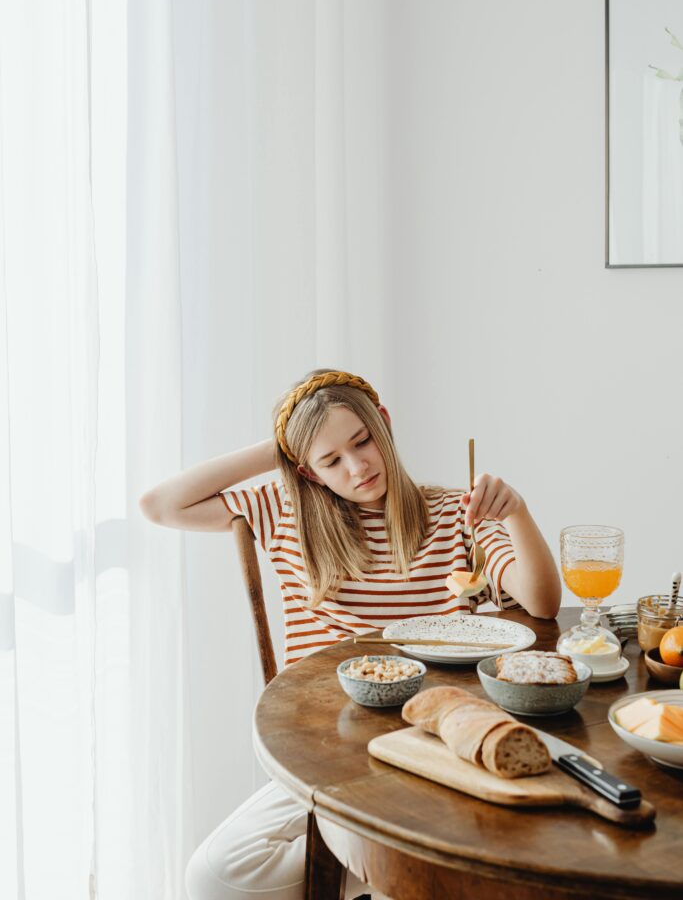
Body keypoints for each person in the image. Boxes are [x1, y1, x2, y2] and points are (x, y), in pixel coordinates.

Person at [139, 369, 561, 900]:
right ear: (306, 472)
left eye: (362, 441)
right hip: (324, 742)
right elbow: (159, 505)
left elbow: (543, 603)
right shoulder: (285, 511)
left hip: (434, 737)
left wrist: (517, 513)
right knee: (215, 875)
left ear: (383, 424)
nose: (357, 467)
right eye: (331, 460)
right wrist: (283, 445)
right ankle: (379, 864)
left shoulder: (458, 512)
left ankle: (389, 866)